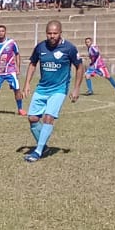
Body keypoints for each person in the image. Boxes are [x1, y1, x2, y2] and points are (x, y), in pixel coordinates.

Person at [23, 20, 81, 162]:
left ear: (60, 33)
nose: (52, 36)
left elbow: (79, 67)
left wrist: (76, 88)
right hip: (42, 88)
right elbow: (32, 64)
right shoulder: (40, 47)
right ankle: (45, 147)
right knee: (32, 118)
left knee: (48, 117)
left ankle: (38, 151)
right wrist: (27, 84)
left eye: (55, 33)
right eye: (49, 33)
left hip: (59, 89)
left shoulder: (69, 48)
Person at [0, 25, 24, 116]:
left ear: (5, 32)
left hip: (11, 71)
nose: (1, 33)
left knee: (17, 89)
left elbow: (17, 54)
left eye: (2, 31)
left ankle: (20, 109)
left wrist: (18, 67)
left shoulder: (11, 43)